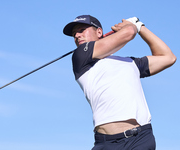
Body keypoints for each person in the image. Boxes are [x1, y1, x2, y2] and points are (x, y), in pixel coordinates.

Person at [63, 15, 176, 150]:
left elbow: (168, 57)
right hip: (106, 143)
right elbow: (128, 33)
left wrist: (140, 27)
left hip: (141, 139)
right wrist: (131, 26)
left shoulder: (131, 63)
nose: (77, 35)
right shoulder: (80, 56)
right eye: (74, 33)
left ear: (99, 32)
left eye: (81, 30)